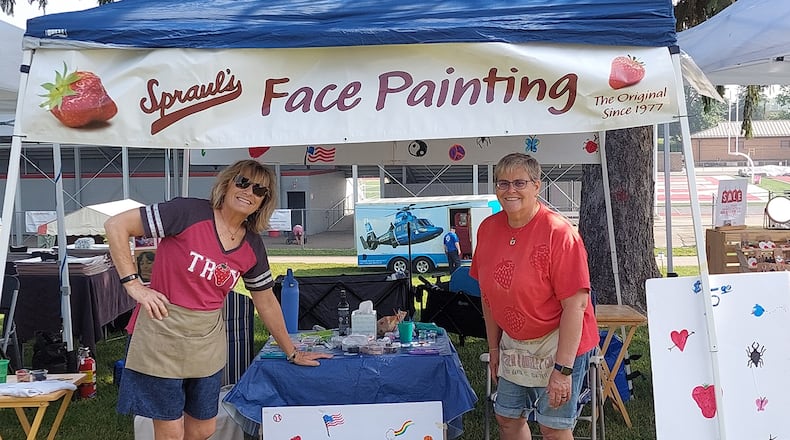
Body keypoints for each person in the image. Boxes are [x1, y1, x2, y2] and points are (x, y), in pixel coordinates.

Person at [104, 159, 331, 440]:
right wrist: (134, 284)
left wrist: (292, 351)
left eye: (259, 190)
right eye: (243, 182)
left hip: (207, 339)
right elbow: (116, 225)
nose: (249, 192)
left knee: (203, 429)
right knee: (171, 430)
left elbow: (266, 301)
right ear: (227, 184)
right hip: (161, 332)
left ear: (263, 202)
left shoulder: (252, 245)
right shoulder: (188, 211)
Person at [470, 153, 598, 440]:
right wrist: (493, 348)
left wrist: (562, 370)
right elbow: (488, 296)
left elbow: (576, 307)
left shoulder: (560, 233)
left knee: (553, 427)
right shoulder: (488, 229)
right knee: (507, 415)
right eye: (503, 183)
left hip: (559, 342)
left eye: (519, 183)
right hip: (514, 343)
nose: (510, 190)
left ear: (537, 186)